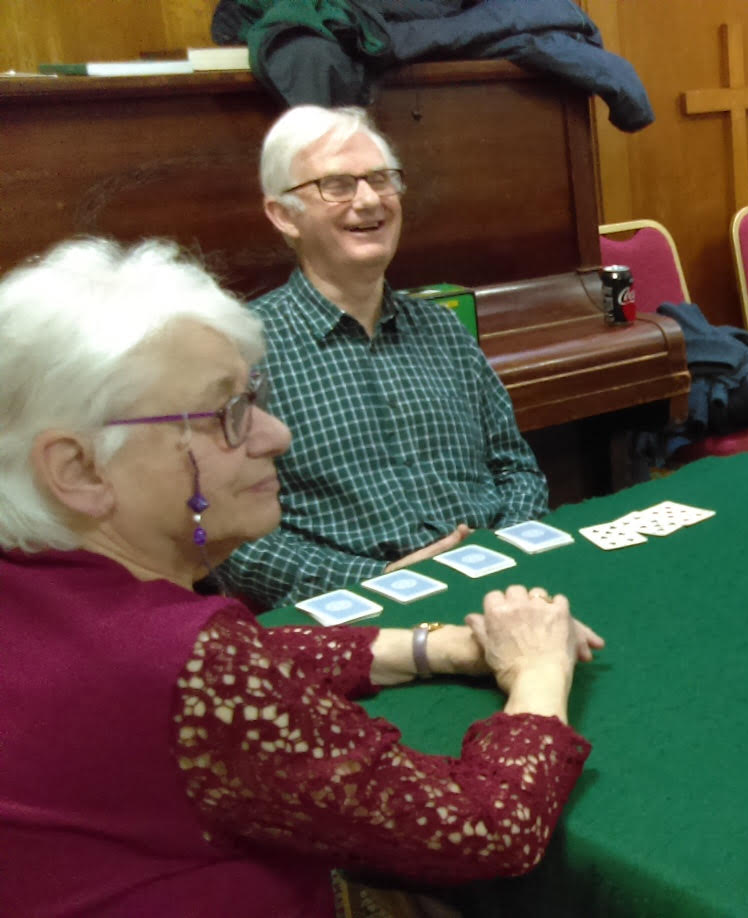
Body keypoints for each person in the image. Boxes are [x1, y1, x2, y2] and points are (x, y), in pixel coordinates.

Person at [0, 238, 604, 915]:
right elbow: (487, 829)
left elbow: (245, 662)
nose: (275, 435)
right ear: (78, 469)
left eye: (254, 397)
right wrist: (537, 668)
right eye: (227, 415)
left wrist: (433, 646)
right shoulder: (190, 662)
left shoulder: (34, 583)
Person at [215, 105, 550, 609]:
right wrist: (382, 579)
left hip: (500, 583)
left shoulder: (443, 329)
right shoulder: (241, 353)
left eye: (380, 179)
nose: (369, 200)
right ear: (284, 214)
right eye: (337, 185)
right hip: (359, 613)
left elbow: (516, 468)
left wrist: (499, 552)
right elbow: (229, 538)